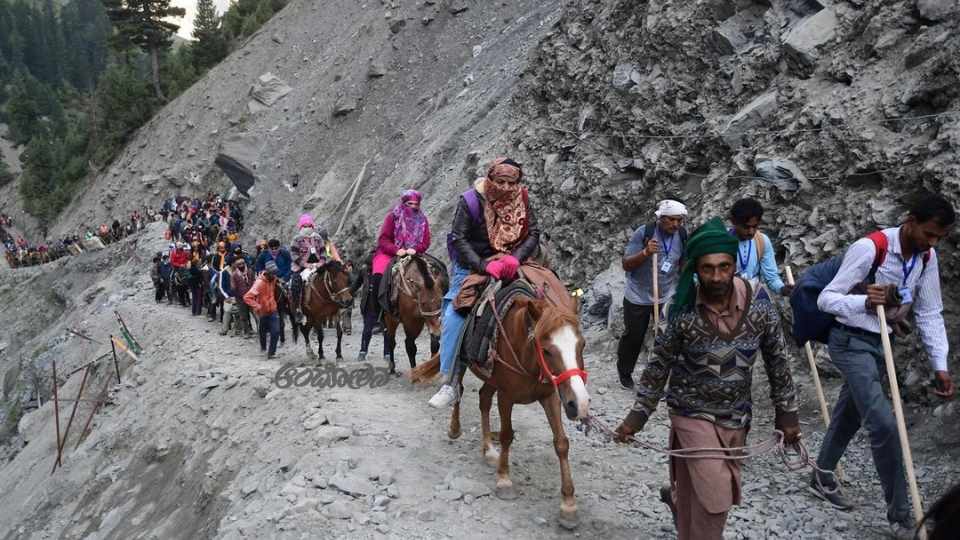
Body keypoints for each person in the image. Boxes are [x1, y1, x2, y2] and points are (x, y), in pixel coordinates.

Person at [614, 217, 801, 540]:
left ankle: (678, 504)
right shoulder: (682, 309)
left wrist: (787, 413)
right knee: (715, 495)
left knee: (701, 491)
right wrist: (637, 417)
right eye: (708, 269)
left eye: (724, 267)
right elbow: (659, 364)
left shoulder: (759, 302)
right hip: (691, 412)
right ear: (695, 270)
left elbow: (777, 359)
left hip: (736, 416)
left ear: (734, 265)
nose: (717, 277)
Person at [810, 194, 955, 539]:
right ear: (910, 221)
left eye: (939, 238)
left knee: (851, 412)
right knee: (884, 424)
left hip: (880, 344)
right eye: (929, 234)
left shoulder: (926, 256)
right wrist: (865, 300)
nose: (933, 243)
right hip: (850, 341)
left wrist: (940, 365)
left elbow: (929, 312)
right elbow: (826, 298)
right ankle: (902, 517)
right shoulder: (870, 248)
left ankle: (821, 474)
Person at [428, 157, 541, 408]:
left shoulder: (522, 198)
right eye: (500, 181)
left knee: (546, 296)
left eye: (511, 183)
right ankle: (451, 381)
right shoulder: (470, 201)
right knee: (457, 313)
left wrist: (515, 258)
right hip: (473, 264)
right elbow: (458, 238)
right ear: (490, 179)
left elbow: (533, 232)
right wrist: (483, 265)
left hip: (512, 260)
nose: (506, 187)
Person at [617, 199, 688, 390]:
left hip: (666, 294)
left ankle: (659, 379)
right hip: (638, 295)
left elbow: (682, 262)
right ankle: (625, 373)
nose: (676, 224)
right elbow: (626, 264)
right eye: (671, 220)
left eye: (679, 220)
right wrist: (646, 253)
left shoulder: (682, 234)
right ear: (661, 218)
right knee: (634, 337)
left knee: (667, 338)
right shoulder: (644, 233)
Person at [359, 190, 432, 362]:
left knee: (434, 272)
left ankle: (434, 310)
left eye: (416, 204)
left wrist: (416, 249)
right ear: (403, 203)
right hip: (390, 252)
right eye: (410, 204)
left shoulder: (422, 219)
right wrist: (396, 250)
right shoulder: (392, 217)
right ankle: (378, 315)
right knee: (378, 274)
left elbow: (426, 241)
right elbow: (383, 240)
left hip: (414, 252)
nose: (413, 207)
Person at [727, 198, 792, 296]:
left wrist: (782, 289)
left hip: (752, 295)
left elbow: (771, 278)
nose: (751, 232)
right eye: (746, 227)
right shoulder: (721, 242)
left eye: (755, 226)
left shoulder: (762, 241)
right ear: (733, 222)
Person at [289, 214, 331, 324]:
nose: (307, 228)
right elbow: (294, 255)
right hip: (301, 267)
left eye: (309, 225)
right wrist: (305, 264)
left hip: (318, 265)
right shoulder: (296, 239)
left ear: (312, 226)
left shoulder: (318, 238)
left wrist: (321, 262)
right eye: (305, 226)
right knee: (295, 283)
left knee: (332, 277)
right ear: (301, 227)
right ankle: (298, 309)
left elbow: (323, 251)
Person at [245, 260, 281, 359]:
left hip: (273, 310)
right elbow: (247, 297)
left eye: (275, 273)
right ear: (267, 273)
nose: (275, 275)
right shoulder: (259, 283)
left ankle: (271, 353)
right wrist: (257, 306)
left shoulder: (273, 279)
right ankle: (263, 348)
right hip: (262, 311)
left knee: (276, 331)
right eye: (273, 273)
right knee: (262, 331)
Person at [230, 257, 256, 338]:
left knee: (256, 314)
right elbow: (233, 288)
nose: (241, 265)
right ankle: (246, 331)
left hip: (251, 297)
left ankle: (261, 330)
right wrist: (236, 295)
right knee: (244, 316)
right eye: (239, 264)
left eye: (242, 263)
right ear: (236, 265)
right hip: (241, 299)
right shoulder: (234, 275)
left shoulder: (250, 272)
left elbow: (254, 282)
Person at [208, 242, 230, 323]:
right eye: (220, 247)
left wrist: (226, 272)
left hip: (226, 273)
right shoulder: (215, 256)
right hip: (217, 273)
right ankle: (212, 314)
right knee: (212, 283)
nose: (222, 249)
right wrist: (218, 272)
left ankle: (224, 317)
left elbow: (229, 265)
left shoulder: (228, 255)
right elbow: (213, 266)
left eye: (223, 247)